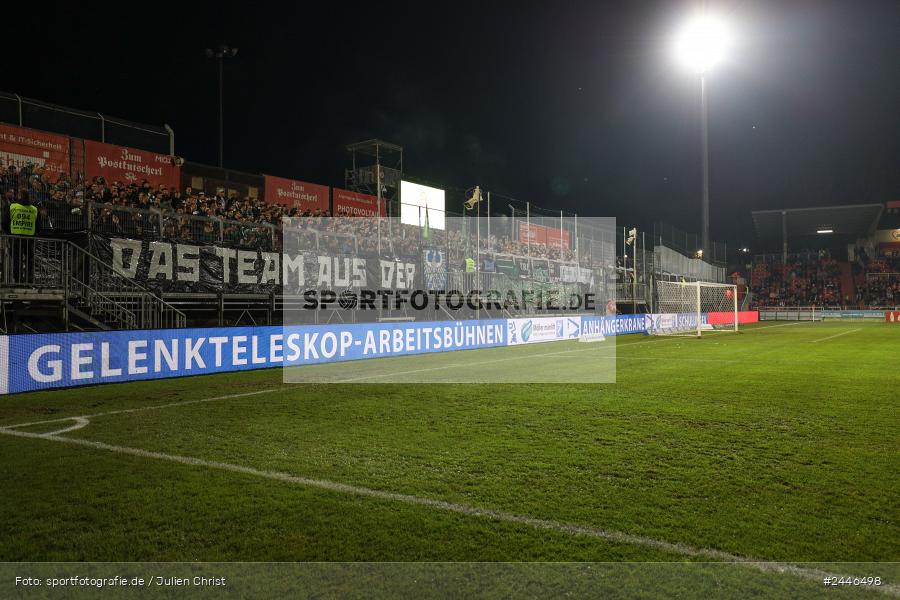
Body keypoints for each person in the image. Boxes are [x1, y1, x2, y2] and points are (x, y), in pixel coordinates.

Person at [7, 190, 38, 284]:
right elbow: (39, 225)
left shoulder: (12, 206)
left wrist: (10, 233)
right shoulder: (34, 209)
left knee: (17, 260)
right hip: (30, 238)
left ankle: (18, 280)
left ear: (19, 195)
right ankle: (29, 280)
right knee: (30, 260)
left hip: (15, 237)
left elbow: (4, 222)